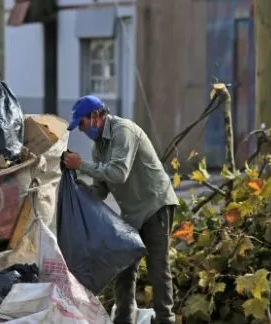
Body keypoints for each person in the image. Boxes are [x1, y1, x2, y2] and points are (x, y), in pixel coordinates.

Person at [62, 95, 179, 324]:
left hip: (156, 205)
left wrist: (82, 165)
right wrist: (78, 195)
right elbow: (101, 190)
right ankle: (123, 319)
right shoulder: (99, 148)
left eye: (82, 125)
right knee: (123, 267)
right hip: (132, 213)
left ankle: (166, 319)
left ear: (95, 116)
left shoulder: (123, 131)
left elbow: (118, 173)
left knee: (158, 268)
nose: (82, 131)